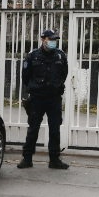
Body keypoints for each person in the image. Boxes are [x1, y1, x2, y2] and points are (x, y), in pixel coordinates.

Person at [18, 28, 69, 169]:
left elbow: (64, 74)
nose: (53, 42)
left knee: (54, 129)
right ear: (43, 39)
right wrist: (34, 89)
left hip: (54, 98)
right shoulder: (32, 56)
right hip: (37, 99)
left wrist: (55, 87)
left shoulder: (60, 56)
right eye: (50, 39)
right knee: (33, 129)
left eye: (55, 40)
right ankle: (27, 158)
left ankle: (54, 160)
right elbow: (25, 77)